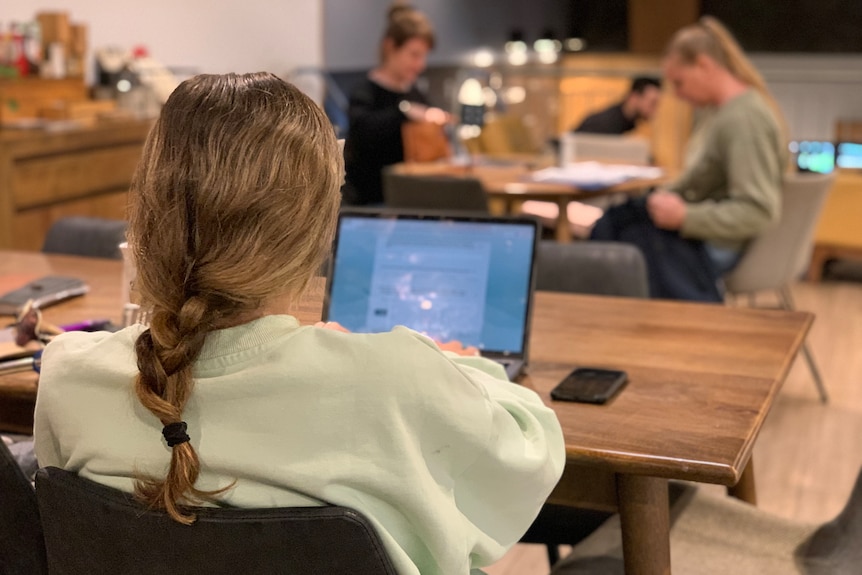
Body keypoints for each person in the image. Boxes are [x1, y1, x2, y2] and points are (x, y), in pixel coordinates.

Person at [33, 72, 565, 575]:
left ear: (147, 212)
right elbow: (533, 450)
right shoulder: (397, 380)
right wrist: (446, 359)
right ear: (317, 230)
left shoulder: (66, 377)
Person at [590, 17, 785, 301]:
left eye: (679, 83)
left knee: (619, 242)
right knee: (617, 223)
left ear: (704, 65)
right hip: (707, 235)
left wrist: (685, 217)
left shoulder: (743, 119)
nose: (679, 95)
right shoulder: (723, 113)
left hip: (717, 247)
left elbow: (758, 211)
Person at [342, 2, 449, 206]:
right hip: (372, 201)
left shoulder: (414, 91)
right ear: (391, 47)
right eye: (414, 55)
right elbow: (362, 132)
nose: (421, 64)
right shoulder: (365, 91)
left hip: (412, 197)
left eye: (423, 56)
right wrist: (404, 112)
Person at [573, 76, 662, 135]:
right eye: (653, 103)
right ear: (634, 97)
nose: (655, 111)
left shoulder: (623, 122)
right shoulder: (605, 123)